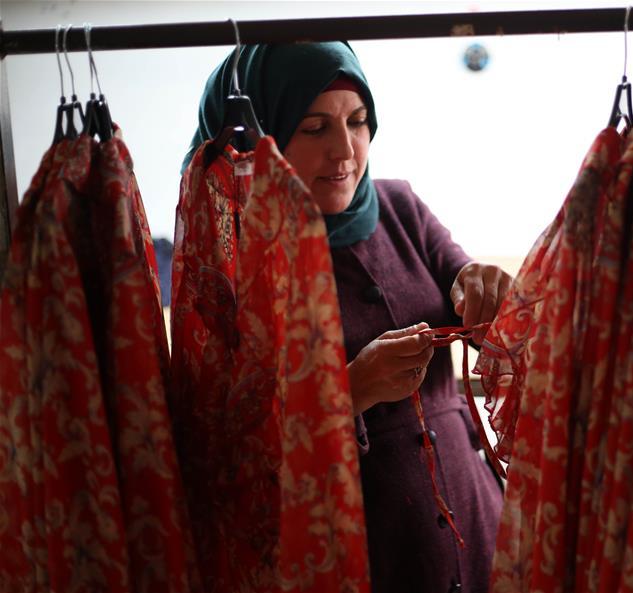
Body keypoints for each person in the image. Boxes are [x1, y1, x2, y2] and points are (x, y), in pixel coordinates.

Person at [183, 42, 509, 593]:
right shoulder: (234, 261)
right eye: (313, 128)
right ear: (253, 139)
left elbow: (475, 296)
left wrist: (483, 287)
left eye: (358, 122)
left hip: (479, 533)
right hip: (356, 555)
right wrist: (349, 391)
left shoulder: (400, 207)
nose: (345, 152)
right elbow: (227, 453)